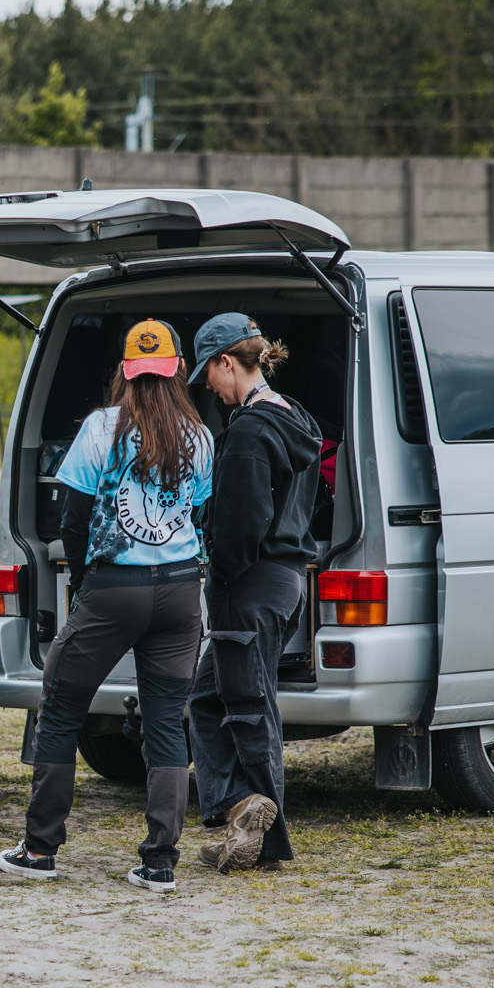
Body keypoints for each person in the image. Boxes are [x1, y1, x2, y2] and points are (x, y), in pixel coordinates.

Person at [0, 319, 213, 894]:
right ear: (178, 371)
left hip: (114, 586)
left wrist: (89, 580)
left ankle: (41, 848)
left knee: (61, 707)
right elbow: (200, 515)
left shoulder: (99, 428)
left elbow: (71, 517)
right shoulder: (200, 436)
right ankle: (160, 861)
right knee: (167, 722)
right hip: (180, 591)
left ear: (125, 370)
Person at [185, 312, 322, 874]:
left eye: (209, 375)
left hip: (249, 585)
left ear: (226, 362)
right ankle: (238, 810)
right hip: (288, 581)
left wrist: (214, 573)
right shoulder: (296, 416)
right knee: (208, 697)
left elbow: (242, 526)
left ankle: (265, 836)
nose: (208, 387)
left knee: (247, 706)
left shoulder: (245, 431)